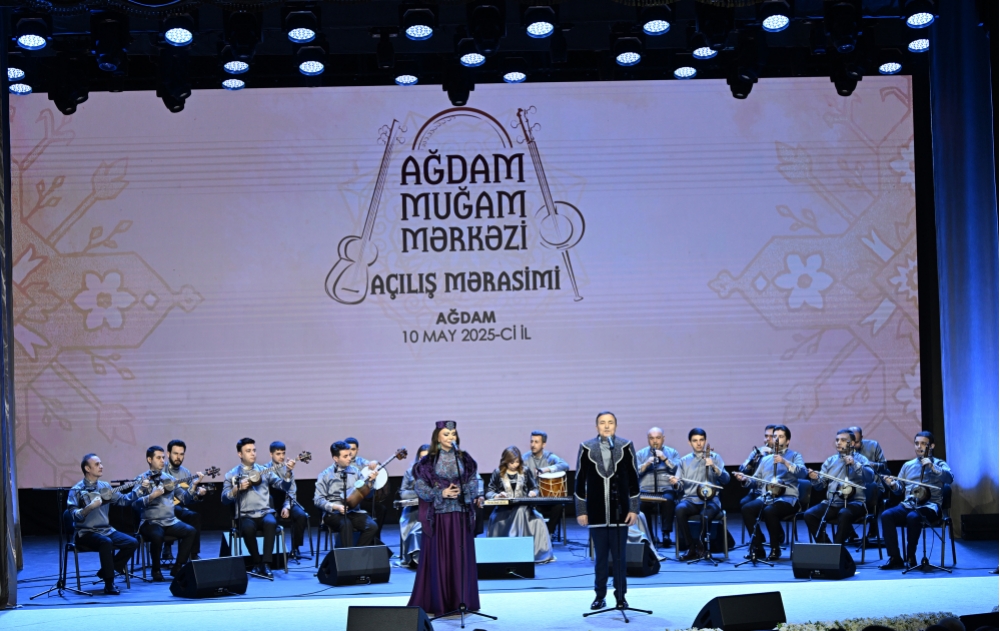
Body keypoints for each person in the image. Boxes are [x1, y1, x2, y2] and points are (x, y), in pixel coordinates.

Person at [408, 420, 482, 615]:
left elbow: (474, 481)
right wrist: (441, 493)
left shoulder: (464, 459)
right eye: (446, 434)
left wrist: (462, 490)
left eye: (453, 434)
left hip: (460, 514)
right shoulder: (427, 462)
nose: (451, 437)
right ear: (438, 437)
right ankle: (440, 602)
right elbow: (420, 487)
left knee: (460, 558)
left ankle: (461, 600)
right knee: (440, 558)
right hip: (439, 517)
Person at [574, 411, 640, 612]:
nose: (606, 426)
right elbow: (579, 480)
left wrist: (634, 508)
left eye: (610, 422)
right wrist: (581, 510)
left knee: (620, 557)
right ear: (597, 427)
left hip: (620, 512)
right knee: (601, 558)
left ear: (616, 426)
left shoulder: (626, 446)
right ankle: (599, 596)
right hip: (596, 512)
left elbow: (634, 479)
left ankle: (621, 597)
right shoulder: (586, 447)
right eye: (602, 423)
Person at [66, 453, 141, 595]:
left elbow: (123, 500)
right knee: (105, 542)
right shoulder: (76, 490)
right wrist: (89, 507)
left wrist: (140, 490)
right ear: (87, 468)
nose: (101, 466)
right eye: (97, 464)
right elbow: (74, 515)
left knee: (132, 542)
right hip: (85, 533)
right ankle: (109, 583)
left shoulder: (105, 486)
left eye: (100, 463)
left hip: (105, 530)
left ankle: (106, 570)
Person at [879, 431, 953, 570]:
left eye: (923, 444)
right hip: (909, 504)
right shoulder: (908, 465)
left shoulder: (939, 463)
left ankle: (911, 555)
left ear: (932, 446)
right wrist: (893, 485)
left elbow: (949, 479)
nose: (919, 446)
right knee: (886, 515)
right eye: (917, 443)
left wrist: (933, 467)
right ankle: (895, 558)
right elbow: (900, 490)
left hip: (930, 506)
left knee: (913, 517)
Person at [221, 437, 294, 578]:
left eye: (254, 450)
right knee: (247, 528)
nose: (253, 453)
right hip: (245, 515)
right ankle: (256, 562)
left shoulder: (264, 471)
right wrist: (236, 489)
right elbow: (224, 499)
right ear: (240, 454)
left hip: (264, 512)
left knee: (271, 522)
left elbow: (283, 486)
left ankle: (266, 564)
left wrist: (288, 473)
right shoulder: (231, 474)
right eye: (248, 451)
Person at [733, 424, 807, 560]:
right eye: (775, 436)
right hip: (767, 497)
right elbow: (756, 480)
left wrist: (784, 462)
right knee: (747, 508)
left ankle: (775, 548)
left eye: (781, 437)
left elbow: (803, 473)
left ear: (788, 441)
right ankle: (758, 548)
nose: (777, 439)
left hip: (788, 498)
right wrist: (745, 479)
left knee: (769, 510)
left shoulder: (794, 456)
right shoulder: (765, 459)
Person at [134, 445, 200, 581]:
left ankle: (178, 566)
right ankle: (156, 569)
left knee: (191, 531)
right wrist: (151, 496)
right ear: (149, 459)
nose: (162, 460)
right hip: (150, 522)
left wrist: (193, 486)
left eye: (163, 457)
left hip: (170, 521)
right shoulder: (141, 479)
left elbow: (184, 498)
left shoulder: (169, 479)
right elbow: (135, 504)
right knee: (157, 535)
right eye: (158, 458)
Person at [803, 429, 874, 544]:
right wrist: (815, 479)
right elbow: (820, 486)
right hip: (833, 503)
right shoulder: (830, 461)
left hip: (855, 503)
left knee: (844, 513)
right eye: (837, 440)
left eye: (843, 440)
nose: (838, 443)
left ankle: (837, 548)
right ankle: (827, 546)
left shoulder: (861, 459)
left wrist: (855, 464)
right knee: (809, 514)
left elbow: (870, 478)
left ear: (852, 443)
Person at [485, 446, 554, 563]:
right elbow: (489, 491)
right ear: (505, 461)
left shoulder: (525, 471)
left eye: (517, 462)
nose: (515, 465)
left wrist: (533, 492)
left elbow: (535, 487)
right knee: (517, 511)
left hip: (525, 508)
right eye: (511, 462)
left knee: (534, 517)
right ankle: (514, 552)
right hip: (504, 510)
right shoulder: (498, 472)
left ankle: (526, 553)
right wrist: (497, 495)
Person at [671, 428, 730, 561]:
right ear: (690, 443)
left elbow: (726, 480)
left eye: (701, 440)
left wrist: (714, 466)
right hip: (691, 500)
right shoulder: (683, 461)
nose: (698, 443)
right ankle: (691, 547)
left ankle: (701, 545)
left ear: (705, 441)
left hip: (711, 500)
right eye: (695, 441)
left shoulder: (715, 457)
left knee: (705, 514)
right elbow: (679, 486)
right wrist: (675, 483)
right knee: (679, 509)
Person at [314, 440, 379, 547]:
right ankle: (347, 556)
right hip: (333, 514)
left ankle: (356, 554)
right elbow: (317, 499)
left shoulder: (355, 471)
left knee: (372, 526)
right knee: (346, 524)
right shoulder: (325, 475)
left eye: (349, 455)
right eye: (345, 456)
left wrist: (371, 483)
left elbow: (368, 495)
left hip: (353, 511)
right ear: (336, 458)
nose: (349, 458)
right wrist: (336, 507)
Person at [634, 427, 680, 547]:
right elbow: (634, 473)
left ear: (663, 439)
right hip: (646, 489)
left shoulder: (672, 452)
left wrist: (665, 459)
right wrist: (646, 464)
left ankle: (666, 534)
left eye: (658, 438)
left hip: (666, 488)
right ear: (648, 439)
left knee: (668, 500)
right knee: (642, 504)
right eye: (652, 438)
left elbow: (678, 471)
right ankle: (649, 535)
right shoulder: (640, 454)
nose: (655, 441)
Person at [165, 439, 205, 561]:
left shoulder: (186, 473)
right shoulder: (161, 470)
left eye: (181, 454)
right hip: (161, 510)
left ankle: (193, 554)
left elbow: (188, 499)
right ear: (168, 454)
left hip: (178, 508)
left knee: (194, 516)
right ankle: (166, 546)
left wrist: (198, 494)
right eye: (175, 453)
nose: (178, 457)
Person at [523, 430, 569, 536]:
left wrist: (546, 469)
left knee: (558, 505)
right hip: (531, 498)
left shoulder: (549, 457)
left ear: (543, 444)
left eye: (536, 442)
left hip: (547, 498)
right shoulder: (524, 458)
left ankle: (549, 533)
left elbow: (565, 465)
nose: (533, 445)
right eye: (531, 441)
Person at [269, 441, 309, 559]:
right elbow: (277, 486)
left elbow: (291, 491)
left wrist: (287, 506)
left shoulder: (288, 469)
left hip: (286, 502)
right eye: (278, 454)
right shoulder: (265, 469)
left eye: (283, 453)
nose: (281, 456)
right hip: (271, 504)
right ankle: (272, 553)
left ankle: (295, 548)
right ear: (271, 454)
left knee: (301, 515)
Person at [849, 425, 888, 542]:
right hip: (855, 486)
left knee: (871, 494)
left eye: (857, 442)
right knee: (841, 498)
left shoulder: (873, 445)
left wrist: (872, 465)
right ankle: (850, 532)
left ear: (862, 437)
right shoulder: (846, 449)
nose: (854, 445)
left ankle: (873, 528)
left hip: (874, 485)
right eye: (851, 442)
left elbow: (884, 466)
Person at [399, 444, 430, 567]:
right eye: (421, 457)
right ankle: (411, 558)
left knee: (418, 531)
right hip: (413, 509)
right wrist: (420, 493)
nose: (424, 460)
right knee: (409, 528)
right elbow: (403, 494)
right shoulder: (410, 472)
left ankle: (424, 558)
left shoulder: (438, 472)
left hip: (432, 510)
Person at [738, 425, 776, 510]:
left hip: (773, 492)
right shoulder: (757, 452)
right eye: (766, 436)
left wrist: (771, 454)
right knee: (744, 503)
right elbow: (742, 469)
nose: (768, 439)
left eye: (771, 436)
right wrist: (753, 460)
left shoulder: (780, 454)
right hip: (756, 490)